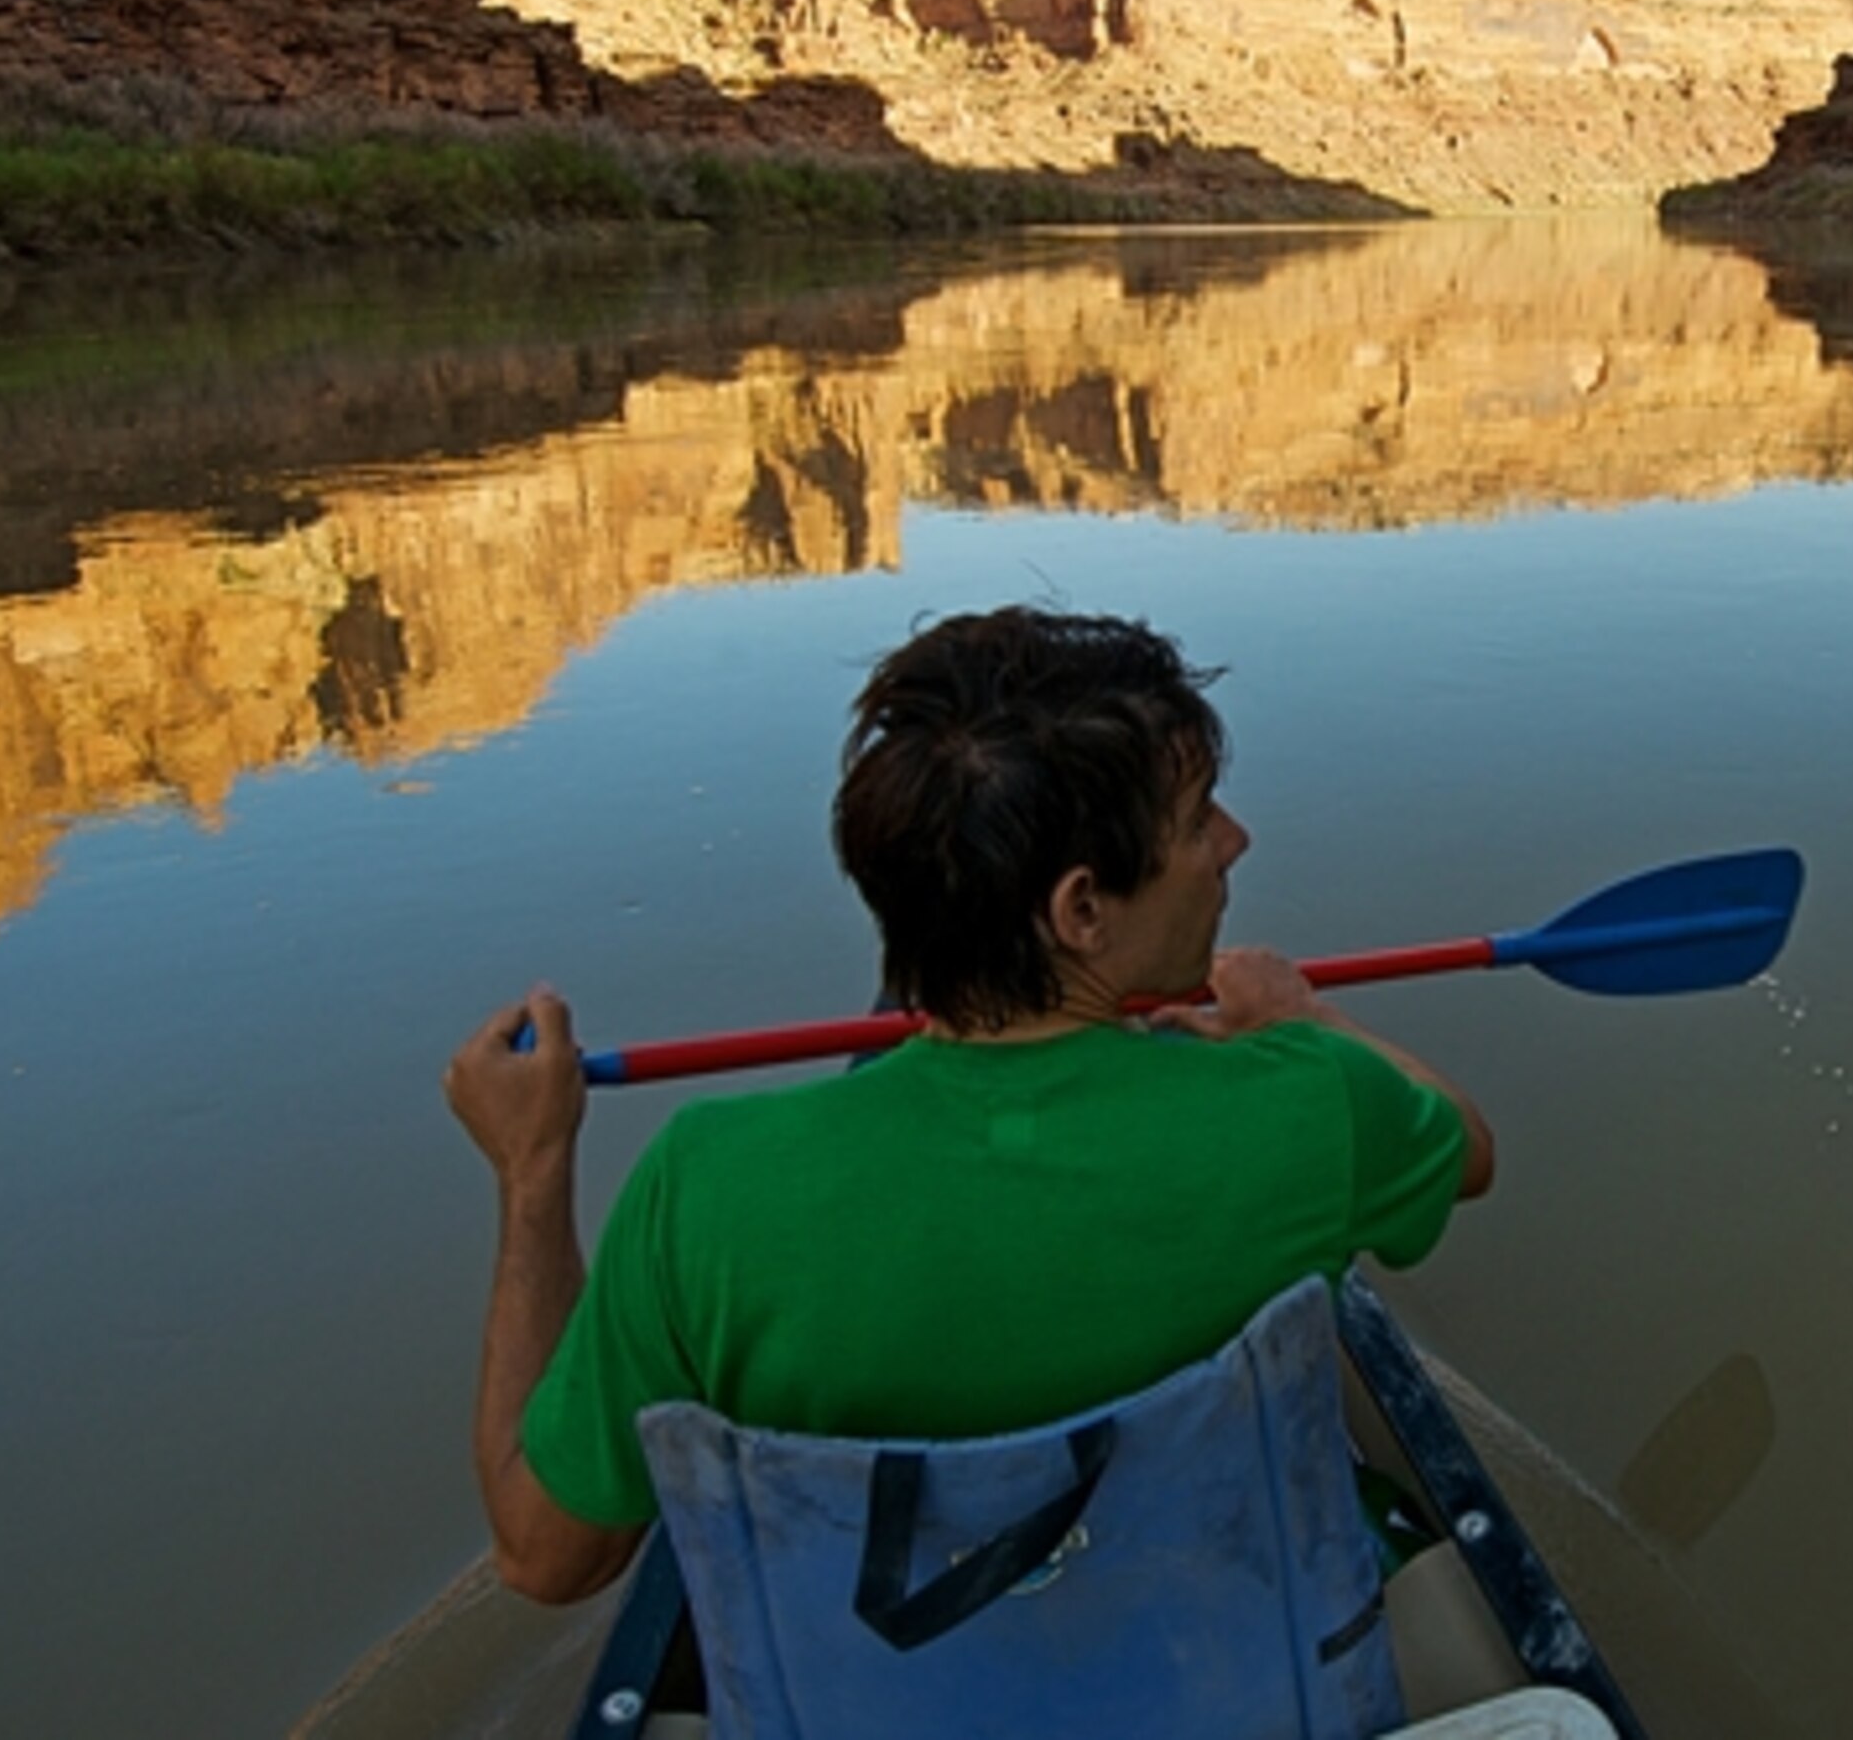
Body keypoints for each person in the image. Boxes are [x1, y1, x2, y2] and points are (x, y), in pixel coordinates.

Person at [443, 606, 1495, 1604]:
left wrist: (533, 1170)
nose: (1235, 839)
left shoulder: (703, 1188)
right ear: (1081, 907)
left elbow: (546, 1556)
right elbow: (1468, 1147)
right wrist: (1302, 1016)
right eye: (1195, 819)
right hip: (1226, 1662)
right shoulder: (1312, 1107)